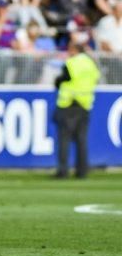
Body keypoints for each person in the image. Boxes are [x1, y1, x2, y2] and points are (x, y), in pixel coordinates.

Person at [53, 39, 100, 179]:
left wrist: (57, 81)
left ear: (74, 50)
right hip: (85, 104)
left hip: (68, 104)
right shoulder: (91, 64)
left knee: (64, 139)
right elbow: (95, 79)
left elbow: (63, 79)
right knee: (82, 140)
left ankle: (63, 171)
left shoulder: (72, 63)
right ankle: (82, 171)